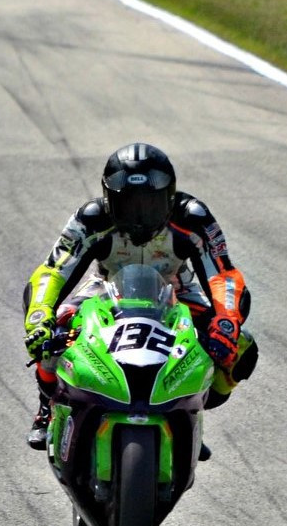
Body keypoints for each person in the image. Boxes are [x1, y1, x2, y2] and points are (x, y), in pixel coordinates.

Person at [23, 143, 259, 450]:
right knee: (53, 334)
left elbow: (223, 274)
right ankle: (48, 407)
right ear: (108, 198)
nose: (138, 216)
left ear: (170, 197)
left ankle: (188, 409)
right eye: (128, 204)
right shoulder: (90, 219)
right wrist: (39, 315)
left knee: (240, 346)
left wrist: (226, 321)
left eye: (148, 205)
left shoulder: (193, 218)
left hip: (177, 289)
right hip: (105, 287)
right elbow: (52, 270)